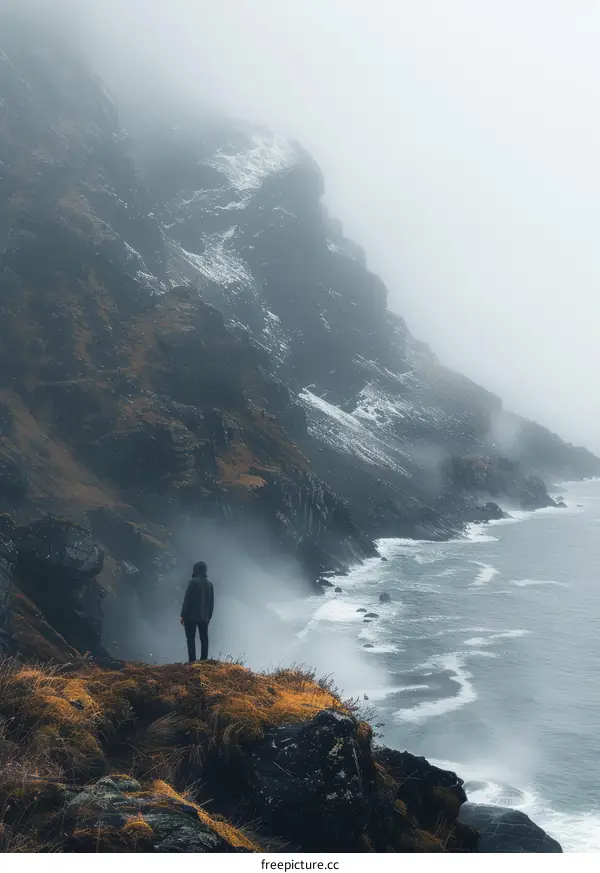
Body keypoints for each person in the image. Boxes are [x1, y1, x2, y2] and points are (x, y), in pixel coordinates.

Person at [180, 561, 214, 663]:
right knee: (204, 638)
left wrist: (182, 615)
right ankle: (204, 659)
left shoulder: (193, 582)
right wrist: (209, 616)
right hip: (204, 617)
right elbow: (211, 602)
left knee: (190, 639)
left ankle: (192, 660)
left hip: (190, 616)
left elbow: (187, 600)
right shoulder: (209, 584)